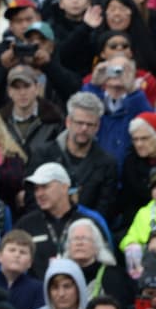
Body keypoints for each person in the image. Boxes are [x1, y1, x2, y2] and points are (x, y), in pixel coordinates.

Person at [28, 92, 120, 223]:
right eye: (79, 123)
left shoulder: (107, 164)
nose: (84, 128)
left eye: (90, 124)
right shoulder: (43, 154)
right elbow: (31, 200)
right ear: (68, 122)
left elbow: (104, 211)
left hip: (87, 228)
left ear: (97, 127)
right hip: (44, 226)